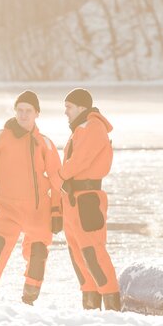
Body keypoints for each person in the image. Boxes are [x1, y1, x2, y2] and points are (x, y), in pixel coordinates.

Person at [0, 90, 63, 305]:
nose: (23, 115)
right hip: (8, 209)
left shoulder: (44, 143)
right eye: (20, 110)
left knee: (38, 254)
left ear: (37, 113)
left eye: (28, 111)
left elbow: (58, 181)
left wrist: (57, 211)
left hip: (39, 211)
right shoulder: (0, 138)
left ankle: (29, 298)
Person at [59, 88, 120, 311]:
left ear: (82, 107)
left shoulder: (93, 126)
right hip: (73, 199)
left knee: (93, 252)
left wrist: (59, 175)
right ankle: (91, 307)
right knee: (78, 254)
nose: (65, 112)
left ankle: (113, 308)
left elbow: (80, 161)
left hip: (87, 200)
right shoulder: (80, 129)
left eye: (69, 107)